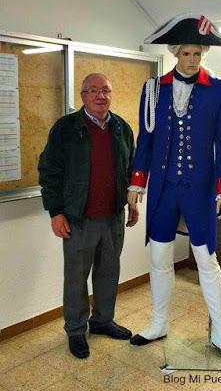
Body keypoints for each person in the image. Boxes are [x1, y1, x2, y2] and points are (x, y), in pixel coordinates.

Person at [127, 13, 221, 367]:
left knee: (206, 260)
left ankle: (220, 331)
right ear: (175, 53)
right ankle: (159, 323)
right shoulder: (153, 90)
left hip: (199, 188)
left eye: (198, 54)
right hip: (163, 188)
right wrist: (137, 181)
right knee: (160, 257)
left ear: (204, 54)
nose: (192, 60)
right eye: (186, 54)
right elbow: (145, 139)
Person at [38, 73, 138, 359]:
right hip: (78, 218)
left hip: (113, 217)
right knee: (76, 278)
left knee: (109, 273)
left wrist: (132, 203)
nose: (100, 96)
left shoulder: (121, 127)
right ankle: (76, 330)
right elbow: (49, 171)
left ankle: (103, 321)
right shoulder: (66, 128)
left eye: (105, 90)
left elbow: (130, 169)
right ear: (82, 96)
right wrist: (56, 212)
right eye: (92, 90)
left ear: (111, 94)